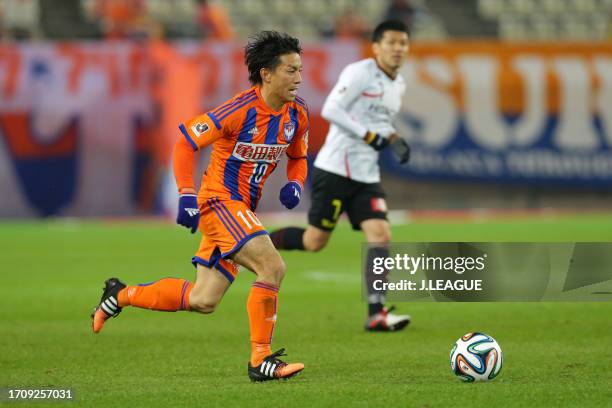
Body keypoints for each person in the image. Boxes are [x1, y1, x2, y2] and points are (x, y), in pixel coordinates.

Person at [91, 31, 309, 382]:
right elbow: (184, 143)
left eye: (300, 70)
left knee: (203, 300)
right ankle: (261, 360)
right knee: (273, 266)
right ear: (266, 73)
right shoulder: (239, 110)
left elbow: (298, 156)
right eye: (291, 70)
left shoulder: (297, 114)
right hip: (219, 202)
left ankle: (121, 295)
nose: (299, 78)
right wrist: (187, 194)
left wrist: (296, 183)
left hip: (240, 211)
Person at [270, 20, 412, 332]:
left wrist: (392, 138)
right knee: (314, 241)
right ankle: (256, 243)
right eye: (391, 42)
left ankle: (377, 312)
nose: (398, 48)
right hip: (335, 169)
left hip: (366, 175)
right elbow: (332, 108)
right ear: (376, 47)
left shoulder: (397, 85)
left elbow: (380, 120)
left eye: (403, 43)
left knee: (381, 234)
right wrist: (368, 134)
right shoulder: (359, 72)